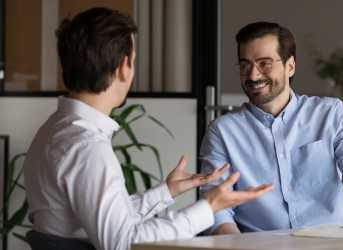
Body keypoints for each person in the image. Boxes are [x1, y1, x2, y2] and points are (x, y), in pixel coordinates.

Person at [23, 9, 275, 250]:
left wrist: (165, 192)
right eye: (133, 61)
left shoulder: (54, 130)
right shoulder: (86, 147)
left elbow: (105, 220)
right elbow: (122, 243)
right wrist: (207, 208)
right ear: (124, 67)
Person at [199, 21, 343, 235]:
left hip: (341, 240)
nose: (253, 75)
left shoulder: (330, 113)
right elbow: (216, 208)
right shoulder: (222, 132)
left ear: (290, 66)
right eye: (246, 65)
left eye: (265, 63)